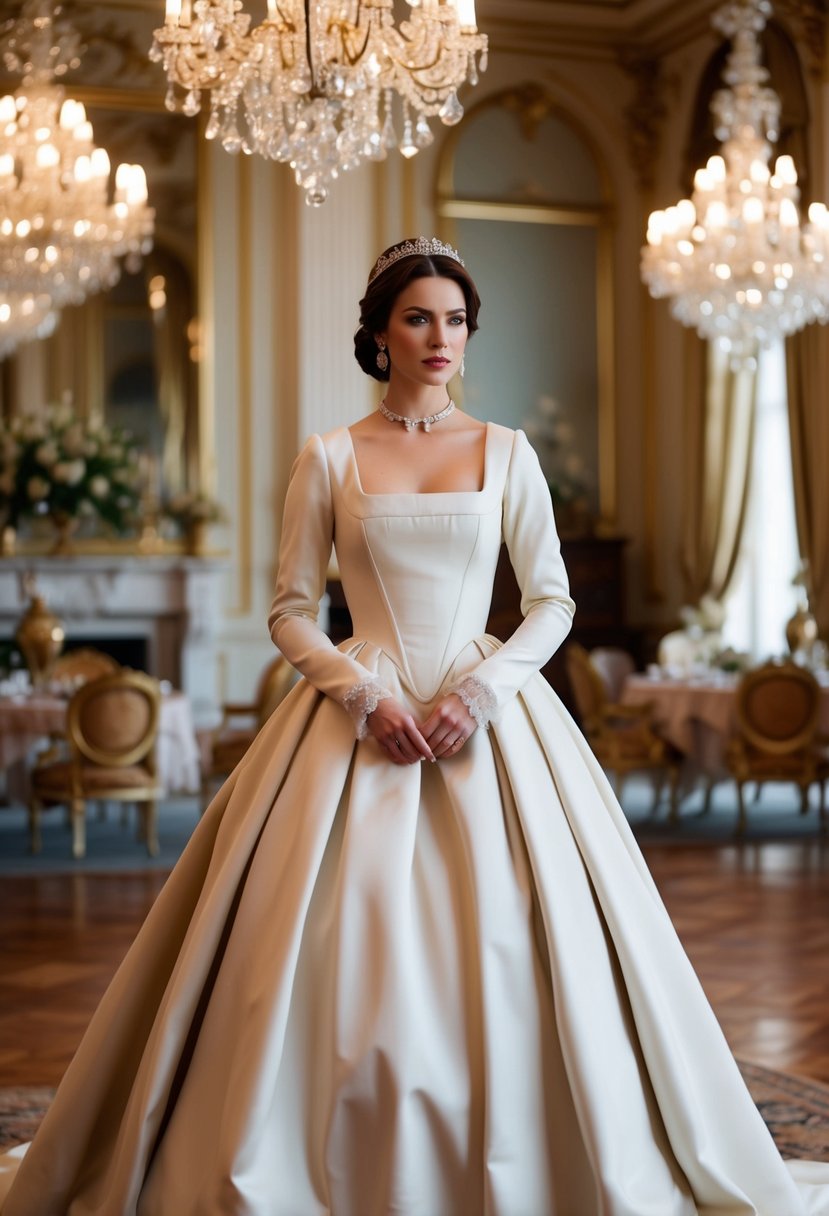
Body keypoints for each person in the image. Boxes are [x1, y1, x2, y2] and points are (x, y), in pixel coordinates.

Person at [2, 236, 829, 1215]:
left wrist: (482, 694)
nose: (441, 337)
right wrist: (362, 695)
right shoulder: (330, 456)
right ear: (379, 333)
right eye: (418, 317)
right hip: (361, 705)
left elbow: (552, 602)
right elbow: (289, 609)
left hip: (488, 710)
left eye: (455, 319)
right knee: (324, 953)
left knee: (528, 946)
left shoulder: (509, 452)